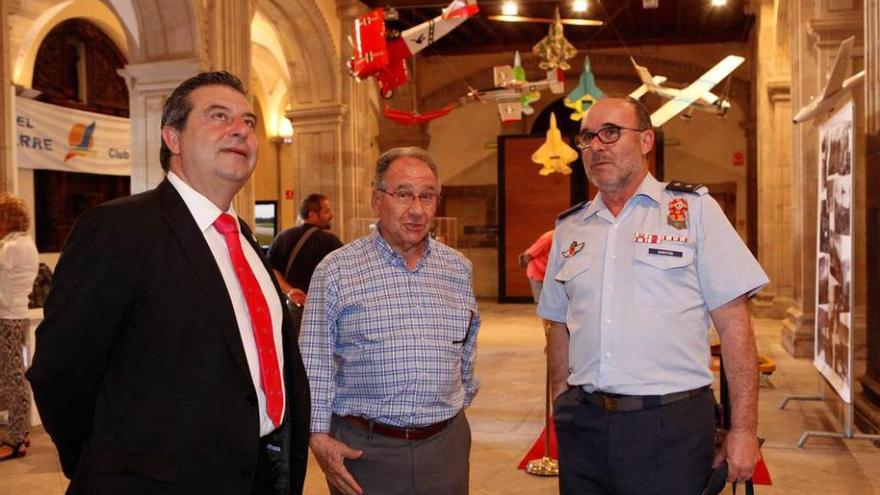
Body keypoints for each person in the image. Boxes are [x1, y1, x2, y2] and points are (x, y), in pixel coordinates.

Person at [26, 71, 310, 495]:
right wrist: (107, 462)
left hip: (257, 476)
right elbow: (59, 371)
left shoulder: (244, 238)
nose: (240, 130)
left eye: (249, 122)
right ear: (172, 138)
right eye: (219, 116)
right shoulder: (118, 229)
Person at [538, 97, 768, 495]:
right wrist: (561, 404)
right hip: (586, 425)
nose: (596, 146)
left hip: (669, 427)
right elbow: (557, 322)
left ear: (646, 141)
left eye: (611, 133)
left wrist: (744, 429)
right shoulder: (570, 228)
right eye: (588, 137)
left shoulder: (693, 211)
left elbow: (735, 327)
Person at [300, 147, 480, 495]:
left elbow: (467, 347)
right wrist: (318, 438)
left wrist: (454, 406)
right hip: (366, 450)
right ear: (377, 199)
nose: (416, 209)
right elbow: (314, 361)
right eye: (403, 194)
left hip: (445, 447)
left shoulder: (457, 268)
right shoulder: (337, 271)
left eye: (427, 196)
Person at [0, 194, 39, 462]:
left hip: (7, 318)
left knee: (11, 378)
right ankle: (21, 431)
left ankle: (14, 440)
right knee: (17, 376)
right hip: (19, 314)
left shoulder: (9, 248)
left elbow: (1, 291)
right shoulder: (26, 243)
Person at [269, 193, 343, 305]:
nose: (331, 215)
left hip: (289, 308)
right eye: (327, 212)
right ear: (312, 215)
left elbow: (272, 270)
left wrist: (290, 291)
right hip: (319, 307)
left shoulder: (283, 237)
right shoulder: (330, 242)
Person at [517, 229, 554, 303]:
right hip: (539, 275)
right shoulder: (549, 238)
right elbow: (527, 256)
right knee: (544, 306)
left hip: (552, 276)